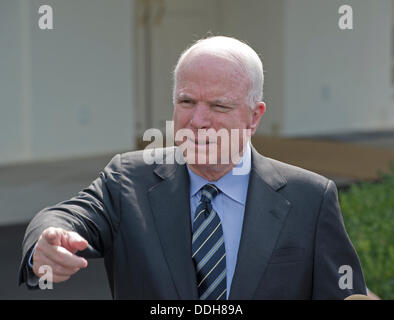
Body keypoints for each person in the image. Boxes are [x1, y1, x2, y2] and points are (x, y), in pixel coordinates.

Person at [19, 36, 367, 299]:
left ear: (254, 116)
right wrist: (47, 244)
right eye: (186, 101)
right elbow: (64, 218)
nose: (198, 120)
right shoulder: (129, 180)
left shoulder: (309, 198)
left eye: (218, 106)